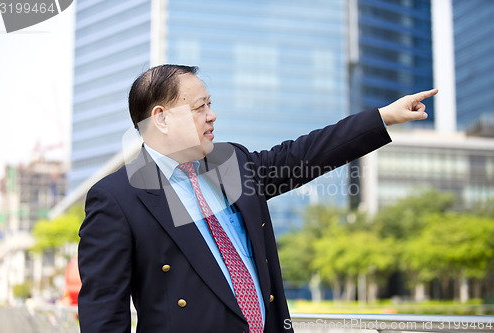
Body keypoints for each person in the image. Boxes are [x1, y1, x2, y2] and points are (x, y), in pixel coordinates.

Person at [77, 64, 437, 333]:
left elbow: (303, 155)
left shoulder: (230, 163)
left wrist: (383, 117)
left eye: (210, 104)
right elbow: (103, 315)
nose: (211, 115)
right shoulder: (117, 198)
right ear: (162, 118)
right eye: (199, 107)